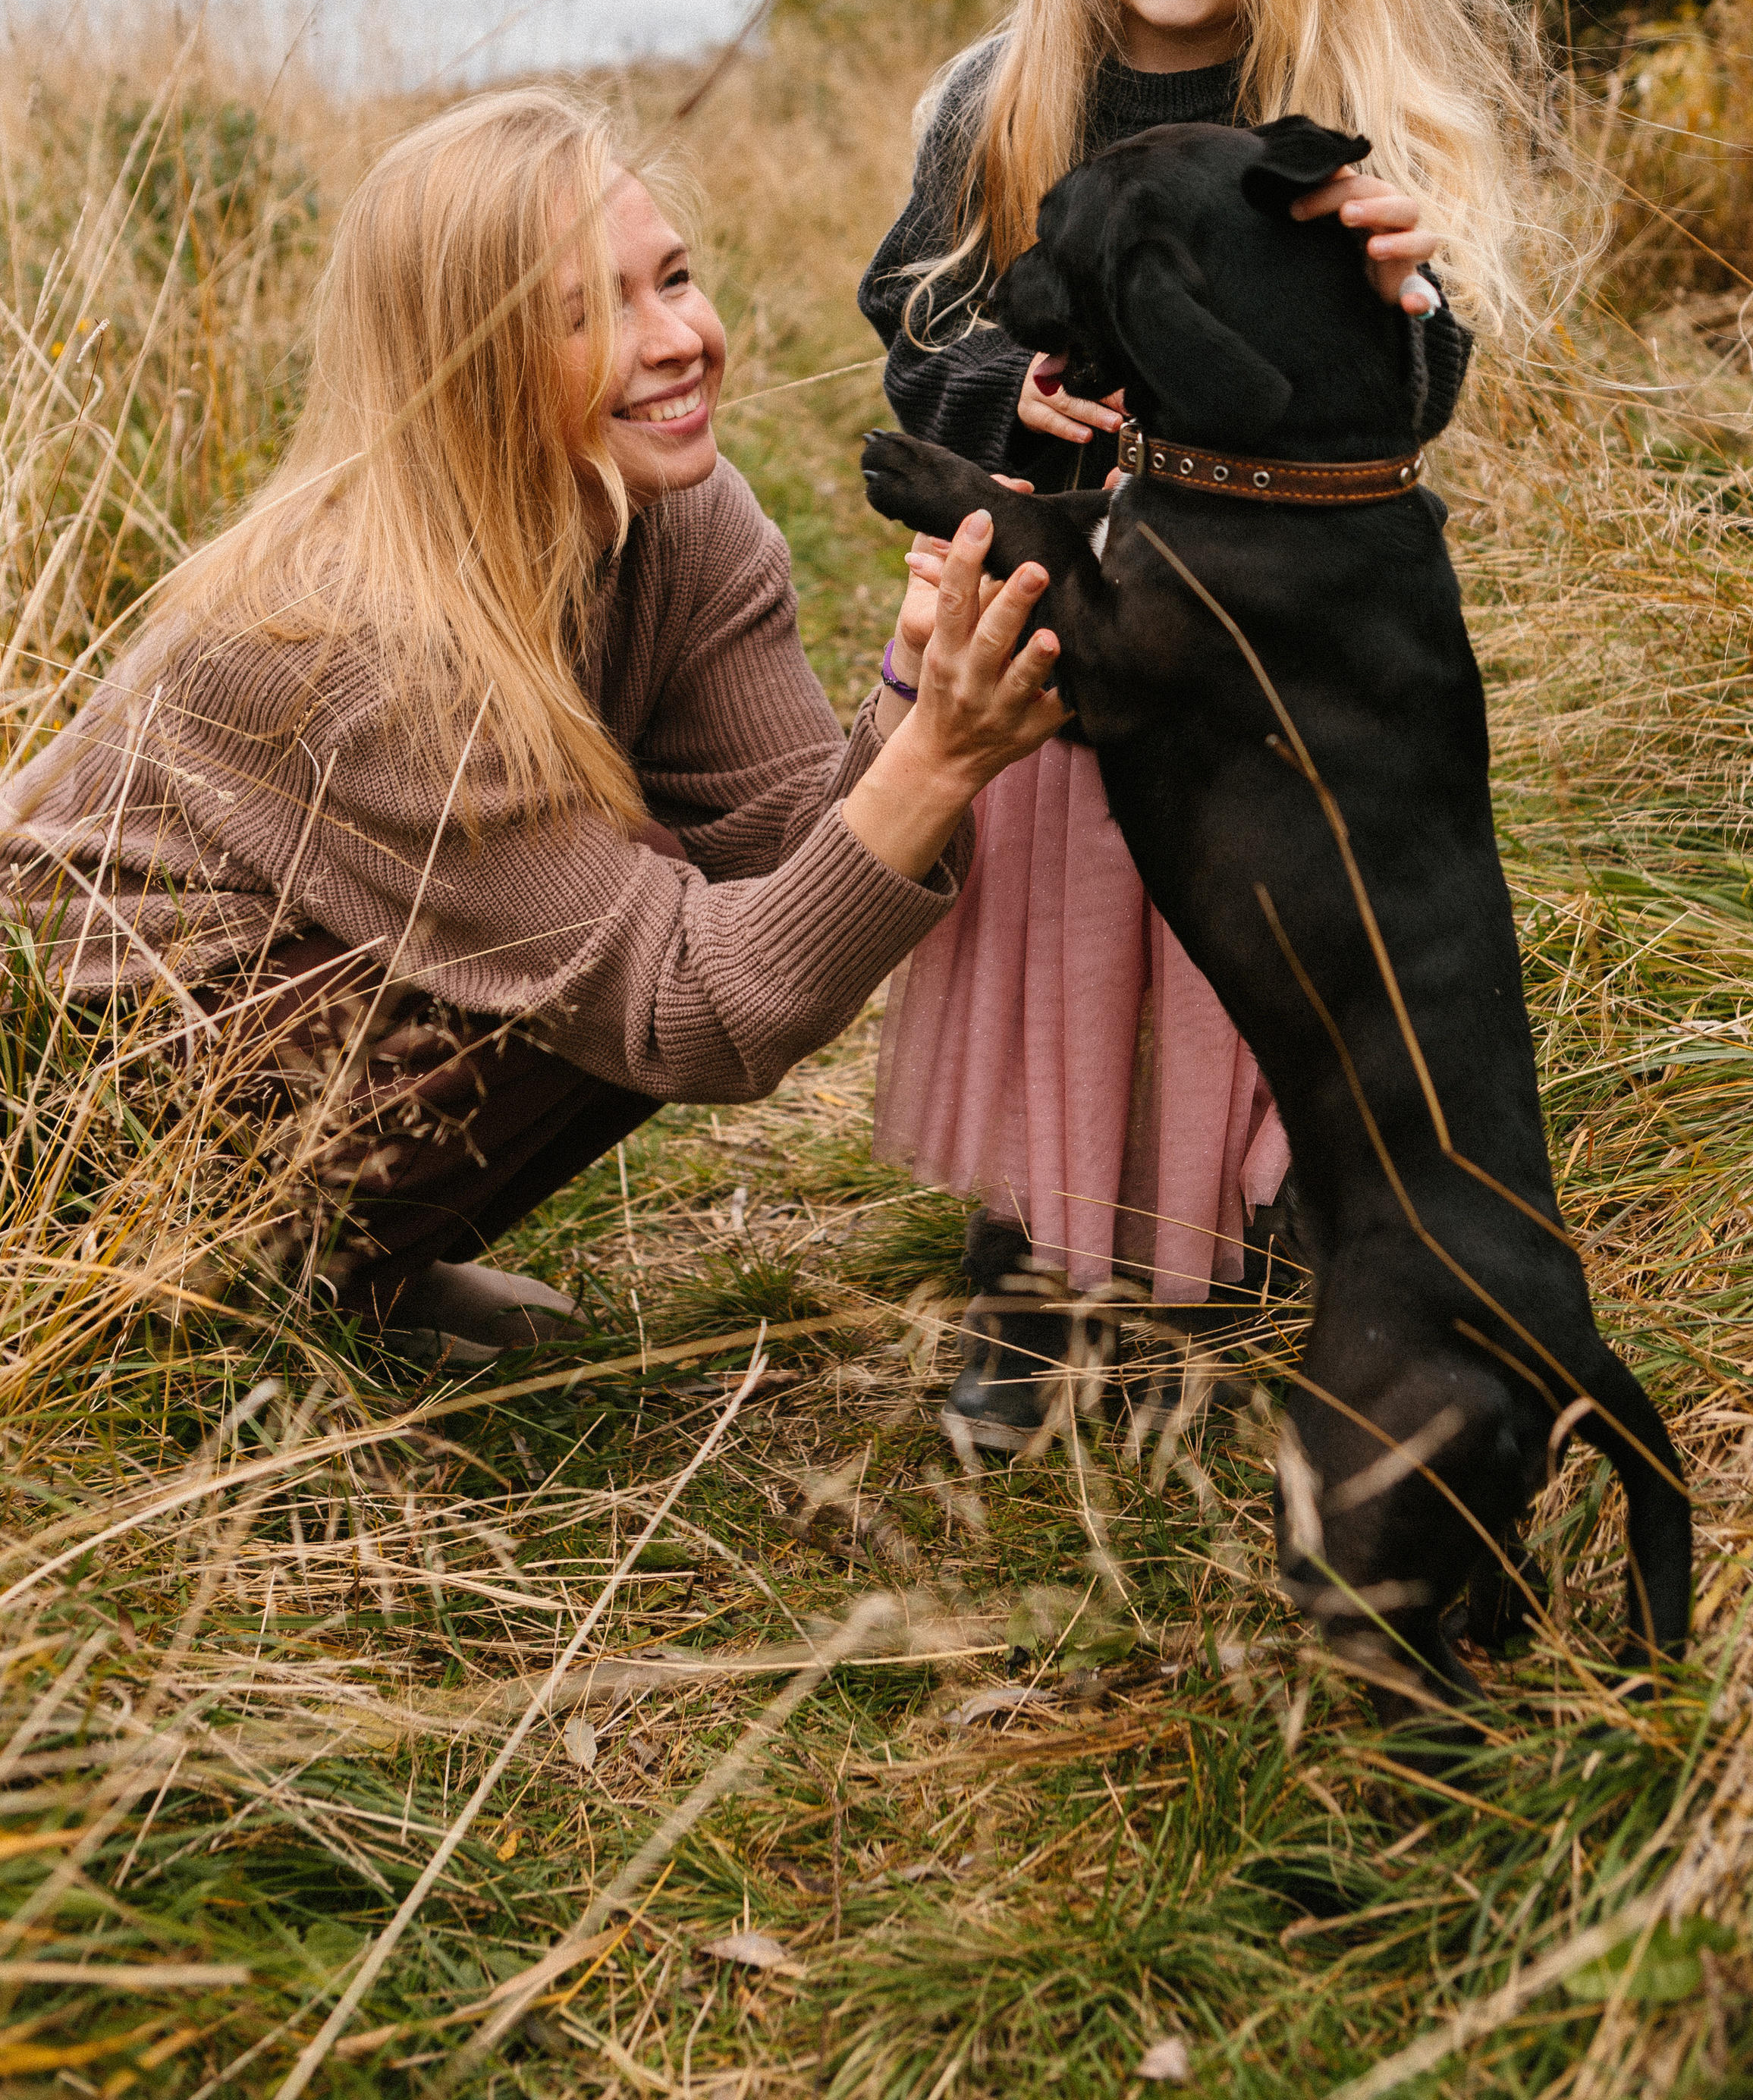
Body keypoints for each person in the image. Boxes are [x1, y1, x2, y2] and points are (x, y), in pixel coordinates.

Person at [2, 89, 1067, 1361]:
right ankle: (210, 1316)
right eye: (589, 313)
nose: (677, 337)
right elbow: (699, 1011)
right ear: (462, 365)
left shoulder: (685, 516)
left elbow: (788, 859)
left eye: (674, 278)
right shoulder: (350, 638)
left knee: (663, 908)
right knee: (631, 947)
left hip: (284, 1053)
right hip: (67, 1133)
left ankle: (353, 1281)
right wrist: (940, 758)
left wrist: (911, 685)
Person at [859, 0, 1545, 1431]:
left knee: (1257, 932)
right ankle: (1045, 1257)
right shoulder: (997, 98)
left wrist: (1404, 307)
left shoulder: (1349, 131)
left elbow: (1414, 400)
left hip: (1260, 641)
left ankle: (1259, 1225)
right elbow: (911, 330)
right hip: (1029, 629)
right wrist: (995, 403)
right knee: (1054, 936)